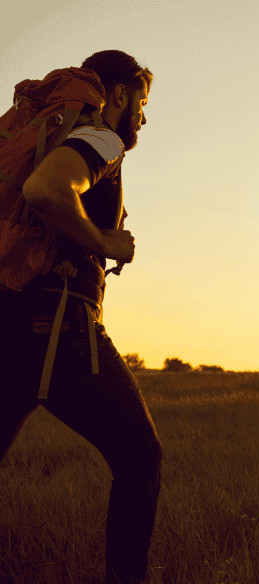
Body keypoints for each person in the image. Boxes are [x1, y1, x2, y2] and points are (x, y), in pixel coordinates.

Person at [0, 50, 161, 584]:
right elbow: (45, 189)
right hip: (59, 326)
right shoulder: (100, 137)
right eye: (142, 102)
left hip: (7, 317)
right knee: (140, 458)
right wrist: (105, 242)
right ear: (119, 94)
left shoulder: (47, 132)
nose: (142, 117)